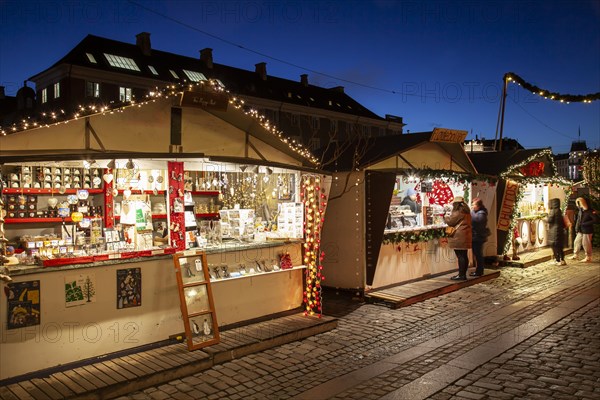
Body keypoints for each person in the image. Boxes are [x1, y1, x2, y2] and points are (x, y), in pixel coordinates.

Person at [444, 196, 472, 281]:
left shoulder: (458, 211)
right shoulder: (466, 211)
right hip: (465, 235)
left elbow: (451, 222)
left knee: (460, 256)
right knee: (464, 255)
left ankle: (461, 275)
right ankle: (463, 274)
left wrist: (446, 216)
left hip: (459, 236)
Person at [571, 197, 595, 262]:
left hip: (587, 230)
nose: (579, 205)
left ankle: (588, 257)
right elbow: (579, 221)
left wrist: (585, 223)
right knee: (576, 241)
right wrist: (577, 228)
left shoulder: (590, 211)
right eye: (578, 204)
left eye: (580, 203)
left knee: (586, 244)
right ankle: (575, 255)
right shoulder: (581, 211)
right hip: (580, 230)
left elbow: (596, 220)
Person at [470, 197, 489, 276]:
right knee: (477, 254)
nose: (472, 206)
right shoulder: (479, 212)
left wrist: (471, 213)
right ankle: (479, 270)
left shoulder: (481, 213)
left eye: (473, 205)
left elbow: (477, 221)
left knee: (478, 254)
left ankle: (479, 271)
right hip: (476, 236)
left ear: (478, 206)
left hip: (478, 237)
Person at [546, 198, 566, 265]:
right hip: (559, 231)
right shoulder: (559, 210)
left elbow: (549, 220)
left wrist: (546, 217)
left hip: (554, 232)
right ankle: (562, 260)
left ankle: (558, 260)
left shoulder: (553, 211)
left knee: (554, 246)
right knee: (560, 247)